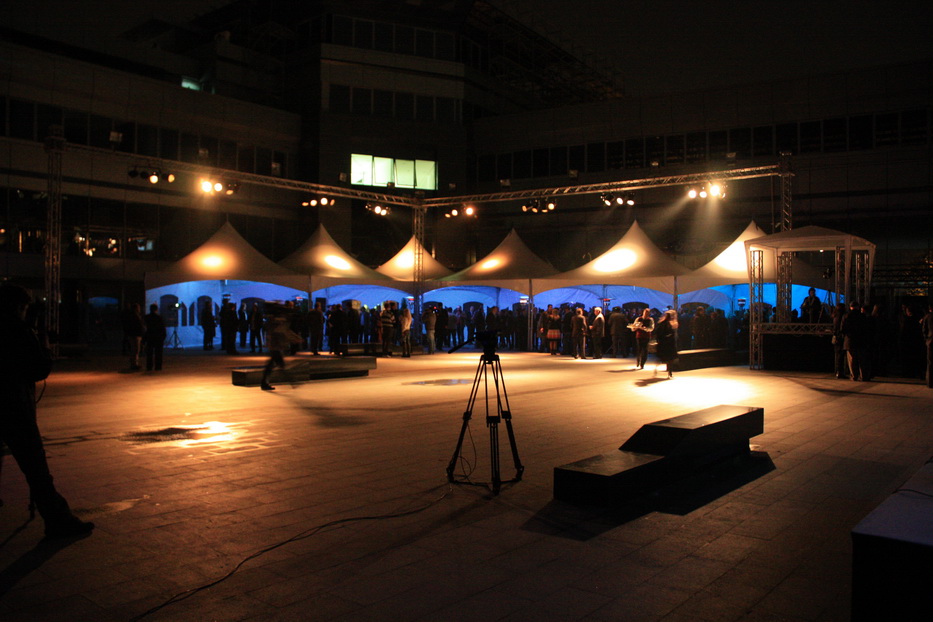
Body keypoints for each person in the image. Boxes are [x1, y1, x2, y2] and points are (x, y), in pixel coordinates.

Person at [0, 283, 94, 539]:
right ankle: (58, 521)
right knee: (36, 469)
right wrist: (43, 344)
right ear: (19, 307)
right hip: (14, 407)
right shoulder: (18, 330)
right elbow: (39, 368)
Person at [841, 301, 871, 381]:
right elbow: (866, 328)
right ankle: (863, 376)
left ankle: (854, 376)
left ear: (850, 307)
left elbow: (843, 329)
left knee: (852, 360)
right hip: (861, 340)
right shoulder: (862, 316)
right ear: (858, 307)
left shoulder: (846, 316)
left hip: (850, 340)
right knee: (862, 359)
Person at [654, 309, 679, 378]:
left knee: (667, 358)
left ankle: (669, 371)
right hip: (668, 342)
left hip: (666, 342)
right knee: (669, 358)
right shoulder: (667, 323)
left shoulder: (663, 323)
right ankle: (670, 372)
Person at [143, 303, 166, 371]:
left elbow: (145, 328)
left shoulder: (146, 317)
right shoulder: (159, 317)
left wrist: (144, 338)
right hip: (158, 337)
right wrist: (163, 336)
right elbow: (162, 328)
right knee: (158, 353)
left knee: (149, 353)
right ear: (156, 309)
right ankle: (158, 366)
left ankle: (149, 366)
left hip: (150, 336)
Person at [122, 302, 145, 370]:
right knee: (135, 350)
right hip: (135, 334)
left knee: (134, 349)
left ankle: (134, 363)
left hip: (133, 334)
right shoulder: (135, 316)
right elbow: (138, 325)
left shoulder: (131, 315)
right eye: (138, 308)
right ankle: (134, 364)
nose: (139, 309)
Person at [831, 302, 848, 379]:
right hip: (840, 337)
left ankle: (837, 371)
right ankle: (840, 372)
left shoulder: (835, 316)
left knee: (837, 355)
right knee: (841, 355)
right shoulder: (842, 316)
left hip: (836, 336)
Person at [921, 302, 933, 389]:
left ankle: (930, 382)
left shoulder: (927, 317)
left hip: (930, 341)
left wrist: (926, 339)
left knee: (930, 362)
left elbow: (924, 330)